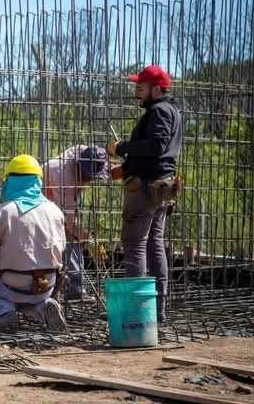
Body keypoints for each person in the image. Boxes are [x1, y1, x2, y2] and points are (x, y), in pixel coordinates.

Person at [106, 65, 183, 323]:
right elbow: (160, 155)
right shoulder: (172, 111)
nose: (136, 90)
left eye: (141, 86)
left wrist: (122, 148)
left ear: (157, 88)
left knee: (135, 244)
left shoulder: (159, 111)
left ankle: (136, 311)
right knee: (154, 245)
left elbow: (156, 146)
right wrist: (127, 167)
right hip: (162, 186)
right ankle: (156, 310)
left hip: (146, 187)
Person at [0, 154, 67, 332]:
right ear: (37, 182)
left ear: (10, 181)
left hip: (11, 285)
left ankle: (3, 309)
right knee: (35, 293)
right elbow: (61, 250)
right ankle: (42, 307)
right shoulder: (55, 211)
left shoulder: (2, 212)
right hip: (47, 284)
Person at [43, 145, 119, 301]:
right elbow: (68, 219)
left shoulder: (87, 153)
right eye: (88, 175)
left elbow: (107, 167)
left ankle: (74, 285)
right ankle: (70, 286)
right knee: (69, 237)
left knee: (75, 237)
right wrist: (87, 238)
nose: (89, 180)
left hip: (61, 199)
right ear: (79, 166)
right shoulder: (63, 175)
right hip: (44, 202)